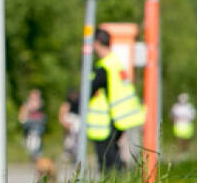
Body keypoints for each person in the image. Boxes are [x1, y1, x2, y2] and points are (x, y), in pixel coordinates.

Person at [85, 29, 146, 174]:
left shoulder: (104, 67)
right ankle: (120, 179)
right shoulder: (116, 63)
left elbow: (90, 90)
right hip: (123, 115)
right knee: (113, 151)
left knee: (107, 157)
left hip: (110, 118)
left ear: (97, 44)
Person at [17, 89, 46, 162]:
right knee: (33, 139)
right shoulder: (26, 105)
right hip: (29, 126)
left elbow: (43, 118)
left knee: (36, 138)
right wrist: (29, 108)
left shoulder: (41, 104)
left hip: (38, 127)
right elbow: (21, 118)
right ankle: (33, 154)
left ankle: (35, 154)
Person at [57, 87, 82, 163]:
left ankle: (75, 153)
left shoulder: (80, 103)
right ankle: (68, 153)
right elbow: (61, 117)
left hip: (77, 128)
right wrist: (67, 125)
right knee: (69, 140)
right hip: (70, 126)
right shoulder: (67, 104)